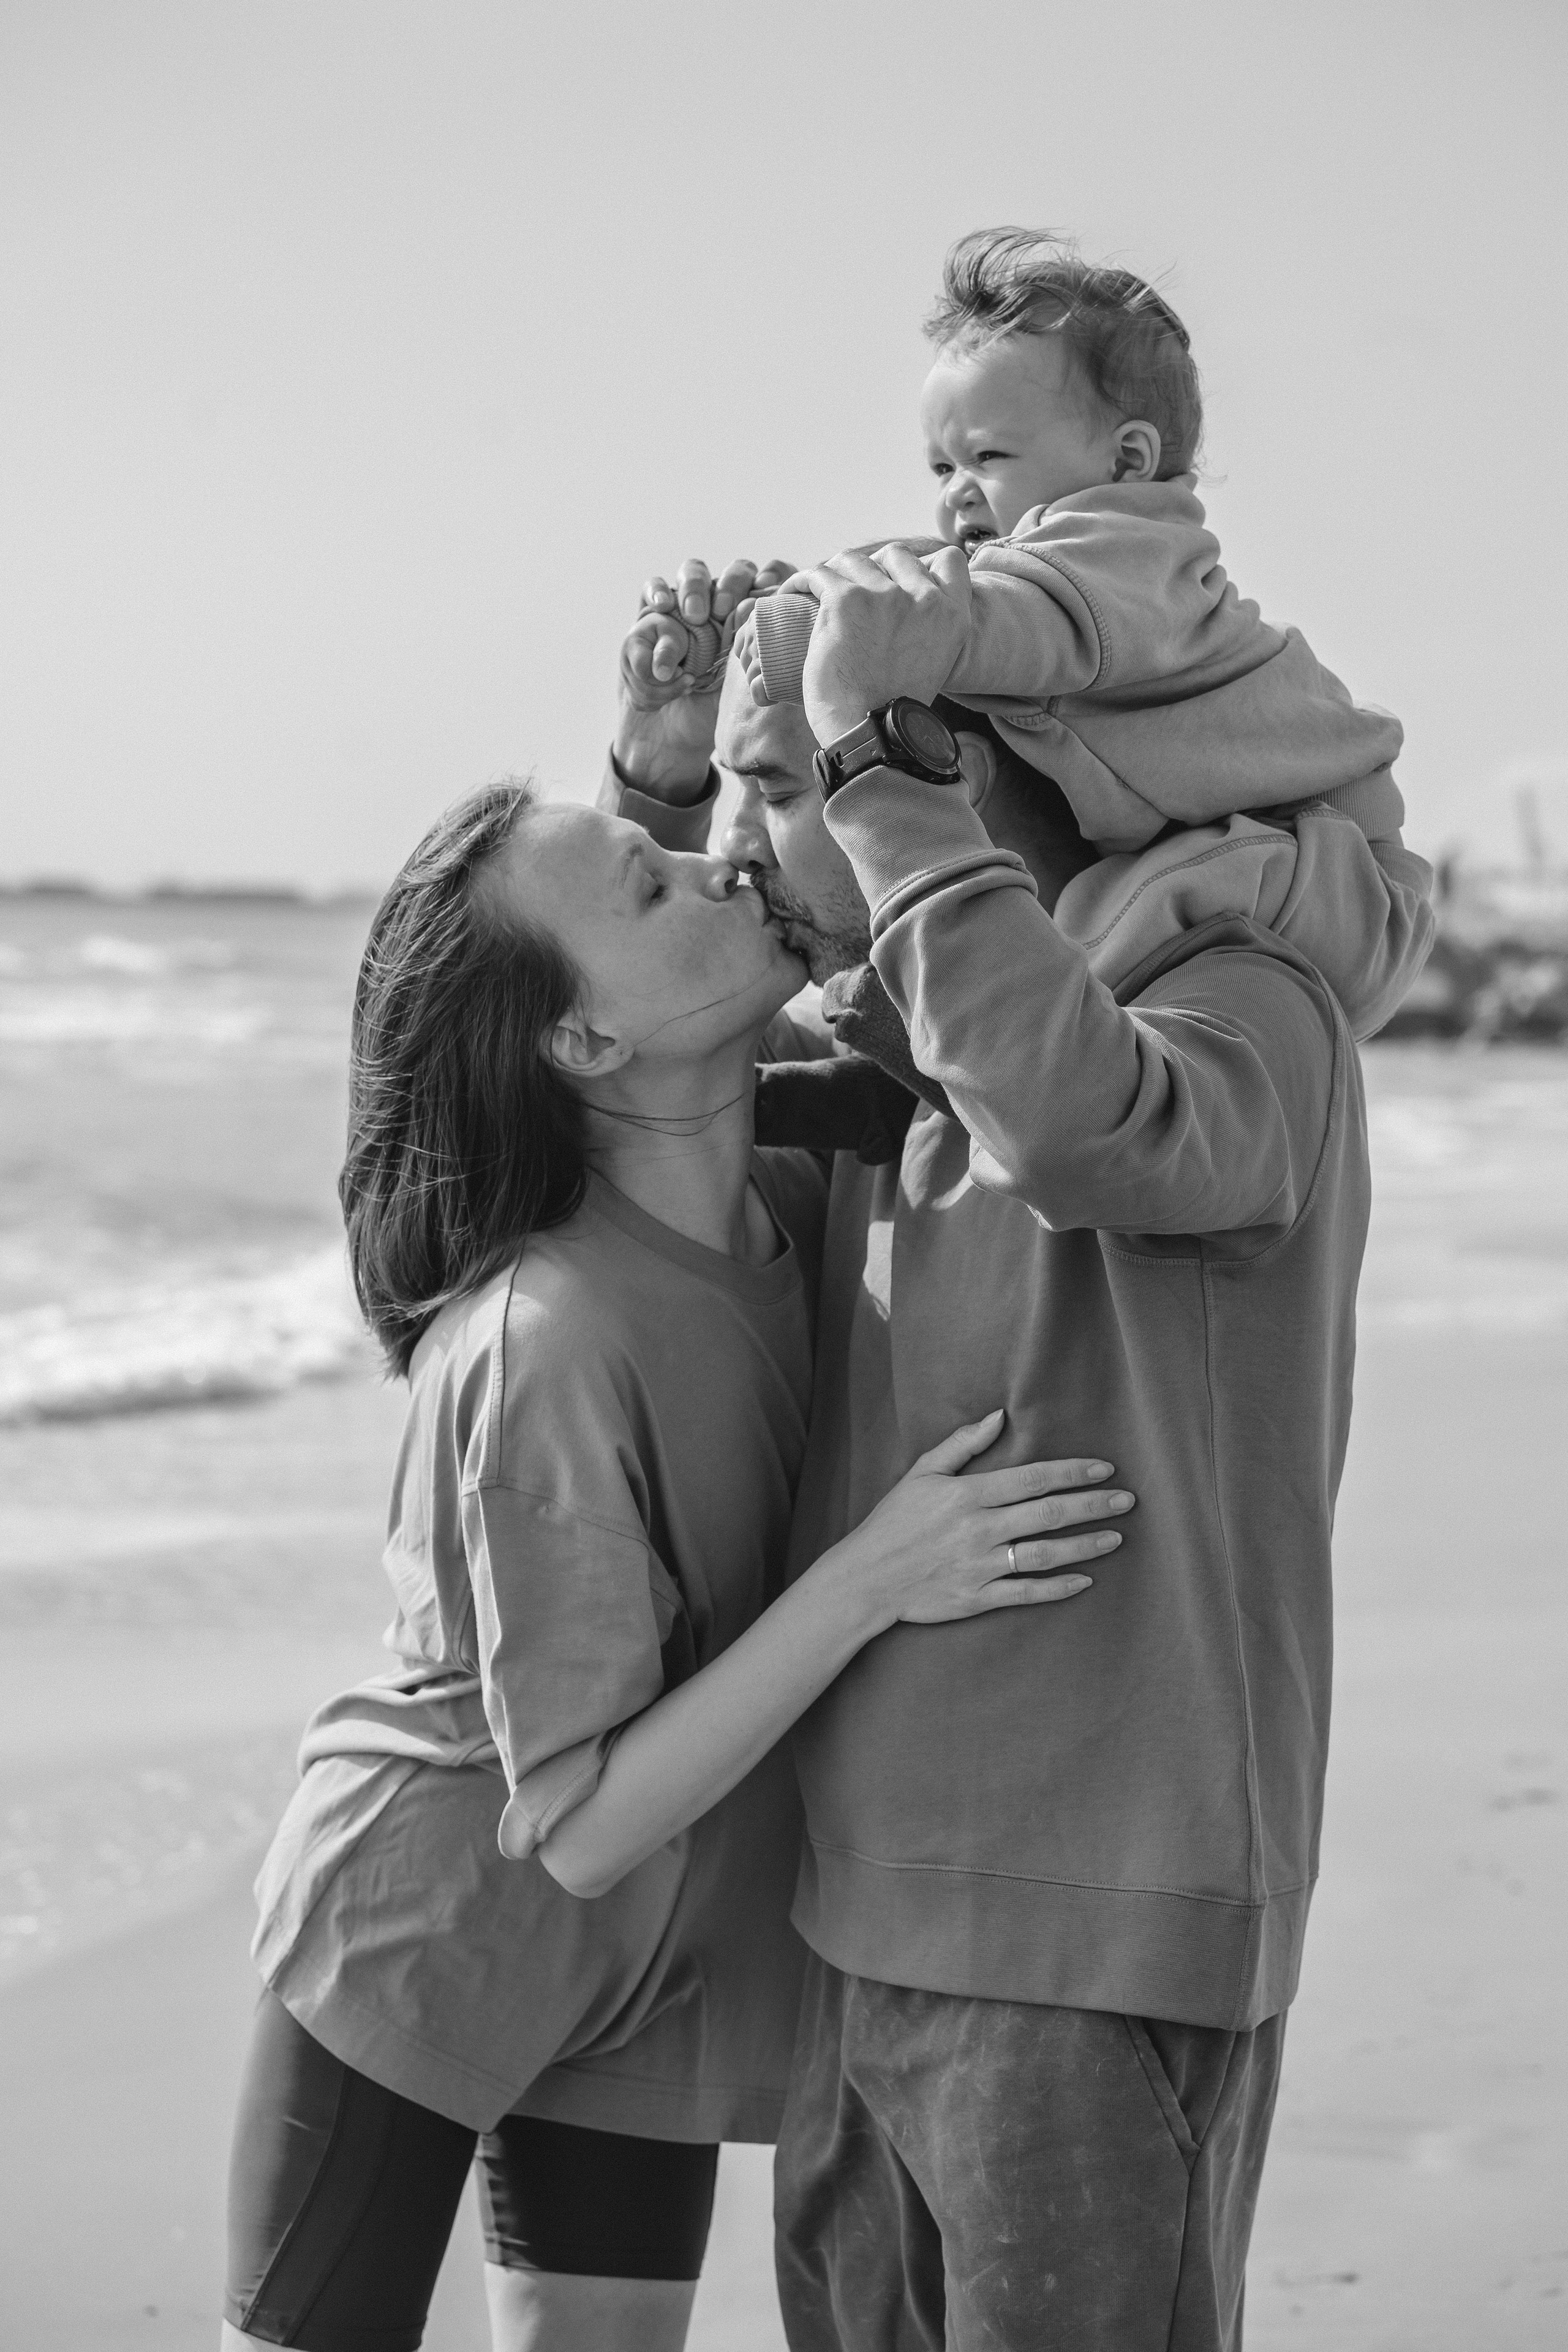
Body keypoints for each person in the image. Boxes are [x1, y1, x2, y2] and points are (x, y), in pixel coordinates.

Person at [608, 536, 1404, 2349]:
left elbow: (1088, 1132)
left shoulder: (1248, 998)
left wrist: (881, 796)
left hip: (1095, 1931)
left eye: (778, 783)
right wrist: (658, 776)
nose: (736, 845)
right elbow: (625, 1077)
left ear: (930, 781)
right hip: (850, 1911)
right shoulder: (884, 1049)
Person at [220, 769, 1129, 2352]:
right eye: (652, 880)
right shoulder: (545, 1342)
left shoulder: (799, 1198)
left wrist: (654, 771)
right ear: (581, 1045)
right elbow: (567, 1823)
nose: (714, 869)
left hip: (663, 1946)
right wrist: (873, 1576)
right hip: (438, 1918)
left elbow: (967, 1048)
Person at [737, 228, 1433, 1044]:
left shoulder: (1121, 555)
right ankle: (918, 1083)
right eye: (940, 468)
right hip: (1294, 860)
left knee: (1067, 969)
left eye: (986, 456)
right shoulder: (1095, 567)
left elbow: (981, 629)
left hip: (1328, 867)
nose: (954, 496)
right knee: (1077, 936)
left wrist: (814, 632)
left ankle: (986, 1061)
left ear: (1126, 460)